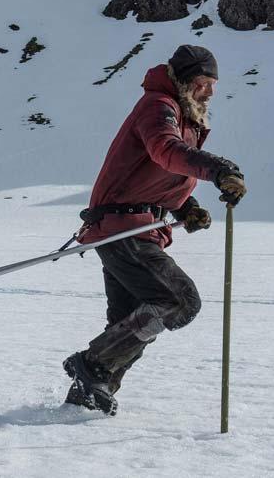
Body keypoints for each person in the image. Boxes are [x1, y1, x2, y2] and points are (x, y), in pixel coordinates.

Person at [64, 44, 246, 415]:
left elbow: (158, 174)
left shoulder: (182, 115)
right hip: (123, 229)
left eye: (213, 83)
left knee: (131, 319)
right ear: (183, 80)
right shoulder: (158, 106)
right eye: (203, 81)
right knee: (178, 300)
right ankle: (92, 362)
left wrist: (186, 206)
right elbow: (166, 151)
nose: (210, 91)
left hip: (133, 226)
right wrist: (217, 169)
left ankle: (89, 394)